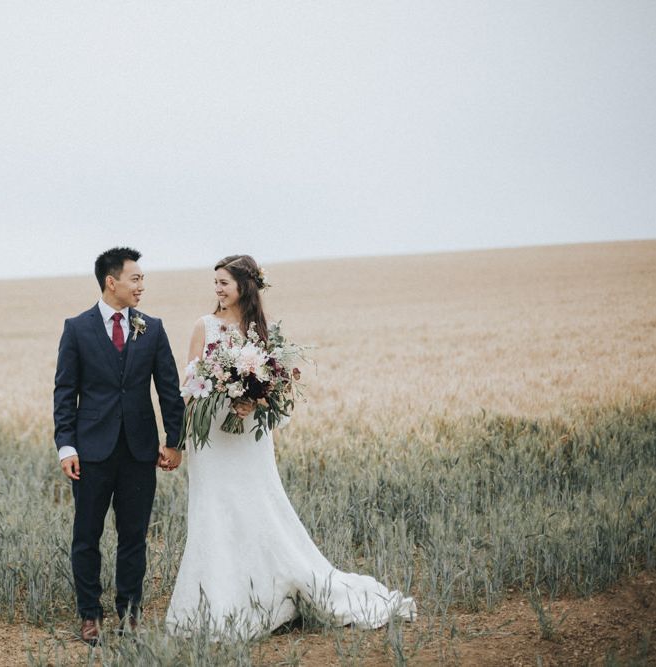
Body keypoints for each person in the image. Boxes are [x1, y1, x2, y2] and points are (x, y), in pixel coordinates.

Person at [165, 254, 416, 638]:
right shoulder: (204, 326)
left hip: (249, 439)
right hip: (212, 438)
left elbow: (274, 389)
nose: (217, 289)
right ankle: (216, 600)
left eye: (224, 283)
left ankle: (268, 594)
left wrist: (253, 400)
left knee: (258, 505)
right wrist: (185, 433)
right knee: (213, 509)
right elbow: (189, 385)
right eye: (214, 282)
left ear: (243, 287)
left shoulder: (259, 330)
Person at [53, 247, 185, 644]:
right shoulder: (76, 328)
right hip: (91, 452)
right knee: (86, 537)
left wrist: (174, 441)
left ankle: (129, 614)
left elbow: (168, 389)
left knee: (134, 537)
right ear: (112, 282)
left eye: (142, 279)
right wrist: (66, 446)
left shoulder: (153, 328)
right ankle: (89, 615)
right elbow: (64, 391)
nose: (142, 285)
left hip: (139, 451)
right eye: (136, 278)